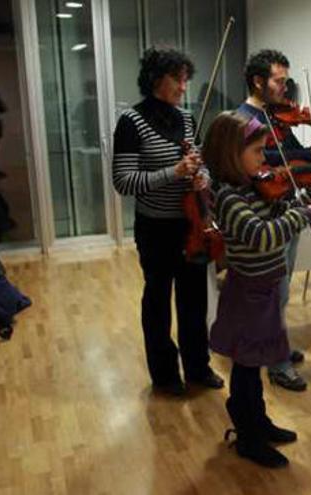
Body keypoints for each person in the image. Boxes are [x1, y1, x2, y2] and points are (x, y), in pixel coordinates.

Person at [237, 49, 311, 391]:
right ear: (258, 81)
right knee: (275, 293)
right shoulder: (243, 119)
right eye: (279, 80)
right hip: (265, 216)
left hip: (288, 210)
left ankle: (275, 347)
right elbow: (269, 157)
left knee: (283, 291)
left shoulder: (276, 118)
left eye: (286, 80)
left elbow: (298, 162)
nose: (285, 88)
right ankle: (277, 364)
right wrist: (307, 154)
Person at [204, 111, 311, 468]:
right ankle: (248, 437)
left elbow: (281, 208)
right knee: (246, 368)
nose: (263, 159)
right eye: (257, 152)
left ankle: (259, 423)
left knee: (255, 365)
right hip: (248, 294)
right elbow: (263, 235)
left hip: (264, 290)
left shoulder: (254, 188)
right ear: (230, 155)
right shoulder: (229, 198)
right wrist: (300, 215)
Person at [111, 48, 224, 396]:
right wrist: (172, 172)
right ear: (156, 79)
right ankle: (164, 374)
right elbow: (124, 181)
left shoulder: (187, 119)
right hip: (156, 229)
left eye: (186, 79)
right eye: (178, 79)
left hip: (192, 225)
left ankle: (197, 367)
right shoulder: (131, 121)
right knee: (158, 300)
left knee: (194, 300)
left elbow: (200, 162)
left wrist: (202, 175)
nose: (184, 87)